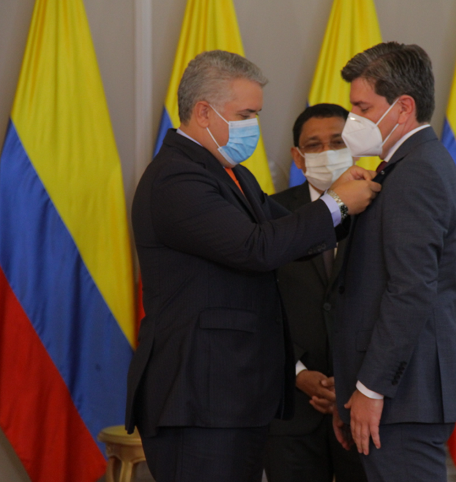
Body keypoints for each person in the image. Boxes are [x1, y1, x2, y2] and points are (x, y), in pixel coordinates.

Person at [125, 50, 380, 482]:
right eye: (245, 114)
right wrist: (337, 203)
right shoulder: (176, 177)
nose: (254, 127)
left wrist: (339, 201)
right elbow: (255, 247)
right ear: (203, 112)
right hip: (200, 397)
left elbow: (290, 237)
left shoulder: (234, 174)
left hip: (236, 394)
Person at [331, 42, 456, 482]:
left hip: (401, 393)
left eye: (362, 106)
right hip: (394, 393)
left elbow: (411, 290)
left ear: (403, 107)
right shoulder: (404, 166)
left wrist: (370, 388)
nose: (352, 120)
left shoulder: (416, 173)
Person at [263, 104, 367, 482]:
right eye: (314, 144)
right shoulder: (270, 214)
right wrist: (298, 372)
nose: (327, 152)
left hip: (364, 403)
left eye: (337, 142)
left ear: (354, 146)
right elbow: (257, 306)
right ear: (298, 156)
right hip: (292, 407)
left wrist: (355, 378)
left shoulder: (382, 206)